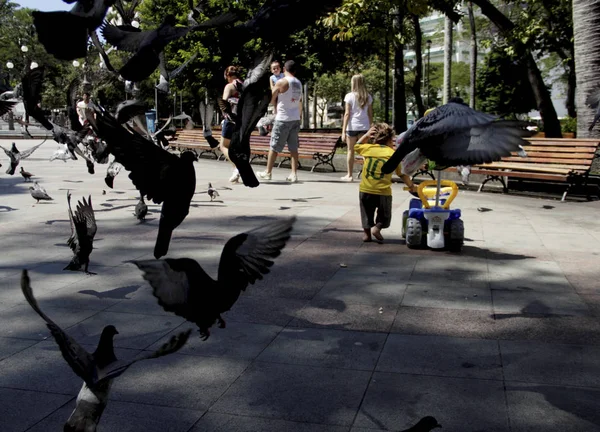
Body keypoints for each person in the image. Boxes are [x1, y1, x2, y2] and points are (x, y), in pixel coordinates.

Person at [355, 123, 417, 242]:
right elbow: (402, 174)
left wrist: (366, 135)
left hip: (365, 189)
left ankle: (367, 235)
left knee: (366, 213)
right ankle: (377, 228)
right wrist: (411, 185)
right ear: (389, 140)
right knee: (385, 214)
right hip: (383, 191)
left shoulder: (368, 148)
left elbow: (356, 146)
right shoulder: (392, 154)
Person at [257, 60, 303, 183]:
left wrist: (275, 105)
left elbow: (271, 97)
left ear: (284, 69)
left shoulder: (281, 82)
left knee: (274, 145)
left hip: (283, 117)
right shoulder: (299, 83)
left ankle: (268, 172)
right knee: (293, 148)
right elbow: (299, 101)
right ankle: (294, 174)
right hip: (295, 118)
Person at [341, 74, 373, 182]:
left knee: (350, 151)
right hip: (364, 127)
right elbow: (370, 114)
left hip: (352, 127)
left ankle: (349, 175)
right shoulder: (368, 97)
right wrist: (371, 126)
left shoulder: (349, 96)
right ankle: (366, 175)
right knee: (364, 152)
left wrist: (343, 131)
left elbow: (347, 114)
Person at [217, 65, 244, 183]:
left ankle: (238, 167)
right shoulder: (243, 85)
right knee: (235, 148)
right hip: (241, 120)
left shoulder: (230, 86)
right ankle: (236, 171)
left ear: (228, 75)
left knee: (223, 146)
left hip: (230, 119)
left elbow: (224, 103)